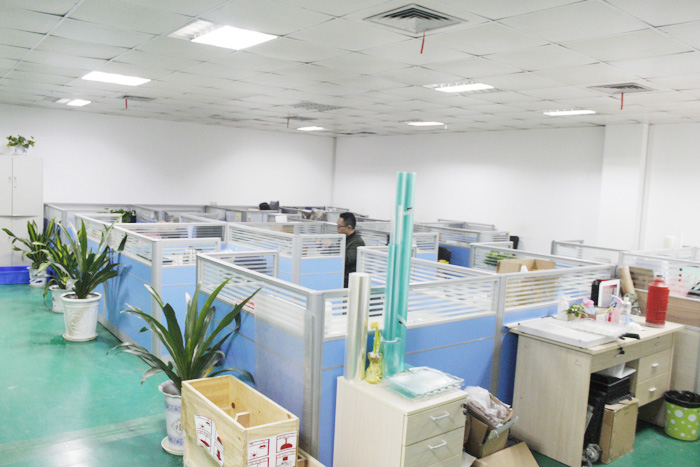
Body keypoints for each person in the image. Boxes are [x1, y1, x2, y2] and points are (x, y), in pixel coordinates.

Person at [337, 212, 364, 288]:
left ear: (349, 227)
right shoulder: (343, 238)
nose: (337, 229)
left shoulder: (357, 242)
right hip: (340, 276)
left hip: (348, 281)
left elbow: (346, 259)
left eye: (339, 226)